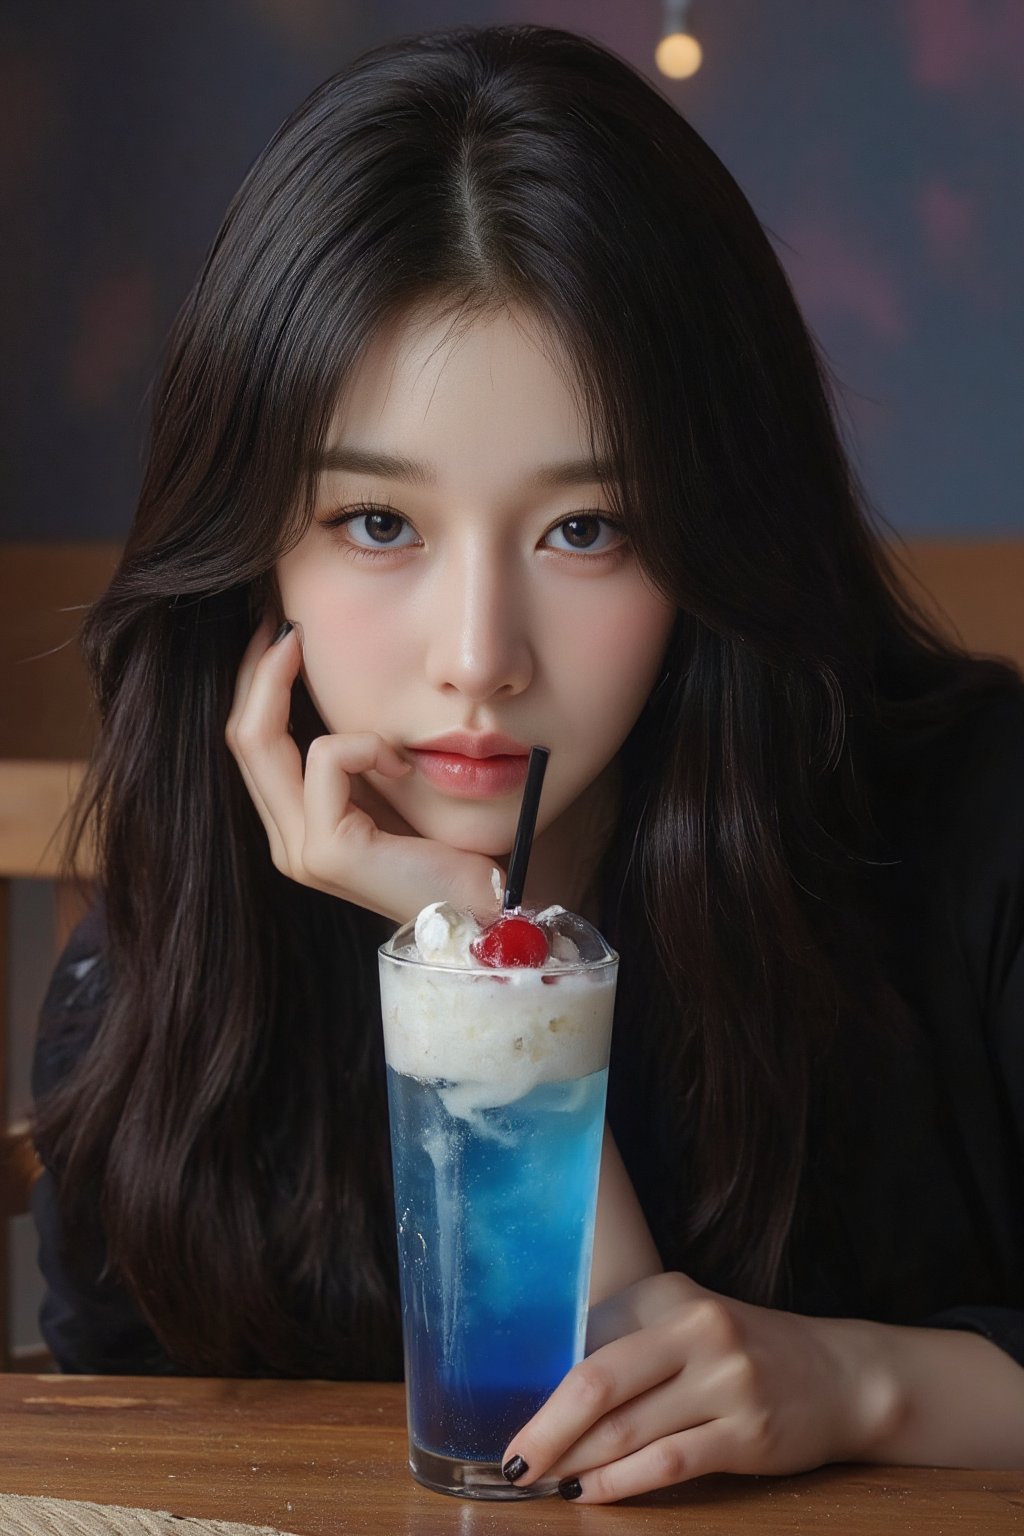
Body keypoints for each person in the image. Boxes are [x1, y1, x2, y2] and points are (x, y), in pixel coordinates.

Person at [32, 23, 1024, 1502]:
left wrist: (864, 1382)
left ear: (710, 541)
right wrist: (456, 935)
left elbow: (621, 1419)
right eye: (379, 523)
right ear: (256, 564)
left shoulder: (971, 830)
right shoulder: (168, 975)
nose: (480, 654)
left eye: (585, 529)